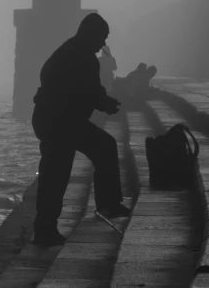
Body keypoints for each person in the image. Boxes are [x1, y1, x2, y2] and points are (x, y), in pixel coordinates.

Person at [31, 13, 130, 247]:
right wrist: (106, 104)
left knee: (57, 170)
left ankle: (48, 226)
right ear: (91, 33)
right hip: (61, 122)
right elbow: (90, 92)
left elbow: (82, 89)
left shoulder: (67, 50)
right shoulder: (82, 57)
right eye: (102, 37)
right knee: (57, 173)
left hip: (55, 119)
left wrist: (99, 100)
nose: (103, 44)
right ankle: (46, 230)